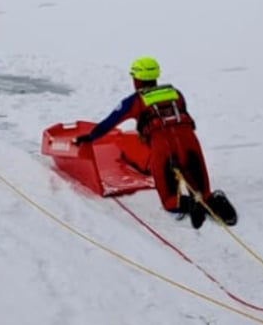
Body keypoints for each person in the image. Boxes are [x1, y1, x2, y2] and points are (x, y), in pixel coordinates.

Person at [75, 57, 237, 228]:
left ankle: (189, 205)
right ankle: (207, 201)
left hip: (163, 149)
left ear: (136, 79)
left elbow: (109, 123)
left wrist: (90, 137)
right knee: (202, 190)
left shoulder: (135, 101)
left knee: (169, 201)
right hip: (190, 144)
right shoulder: (176, 93)